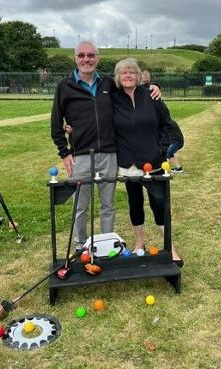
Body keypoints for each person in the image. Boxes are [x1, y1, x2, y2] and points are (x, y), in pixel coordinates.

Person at [51, 41, 161, 251]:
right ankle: (80, 246)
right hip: (80, 155)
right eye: (82, 55)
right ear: (76, 59)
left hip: (110, 154)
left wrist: (153, 87)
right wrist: (64, 153)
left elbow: (131, 87)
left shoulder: (108, 83)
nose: (86, 59)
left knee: (108, 205)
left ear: (97, 59)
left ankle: (105, 245)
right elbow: (56, 122)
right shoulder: (64, 86)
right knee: (81, 206)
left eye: (91, 55)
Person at [111, 58, 183, 267]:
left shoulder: (152, 96)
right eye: (123, 72)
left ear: (139, 75)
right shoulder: (114, 100)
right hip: (129, 163)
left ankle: (170, 247)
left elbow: (167, 125)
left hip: (154, 161)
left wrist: (160, 148)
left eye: (132, 72)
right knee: (135, 203)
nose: (128, 75)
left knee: (159, 204)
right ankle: (139, 244)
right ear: (117, 77)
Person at [141, 70, 185, 173]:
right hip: (176, 140)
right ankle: (178, 168)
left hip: (177, 141)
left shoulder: (166, 122)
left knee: (166, 155)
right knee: (170, 153)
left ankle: (163, 168)